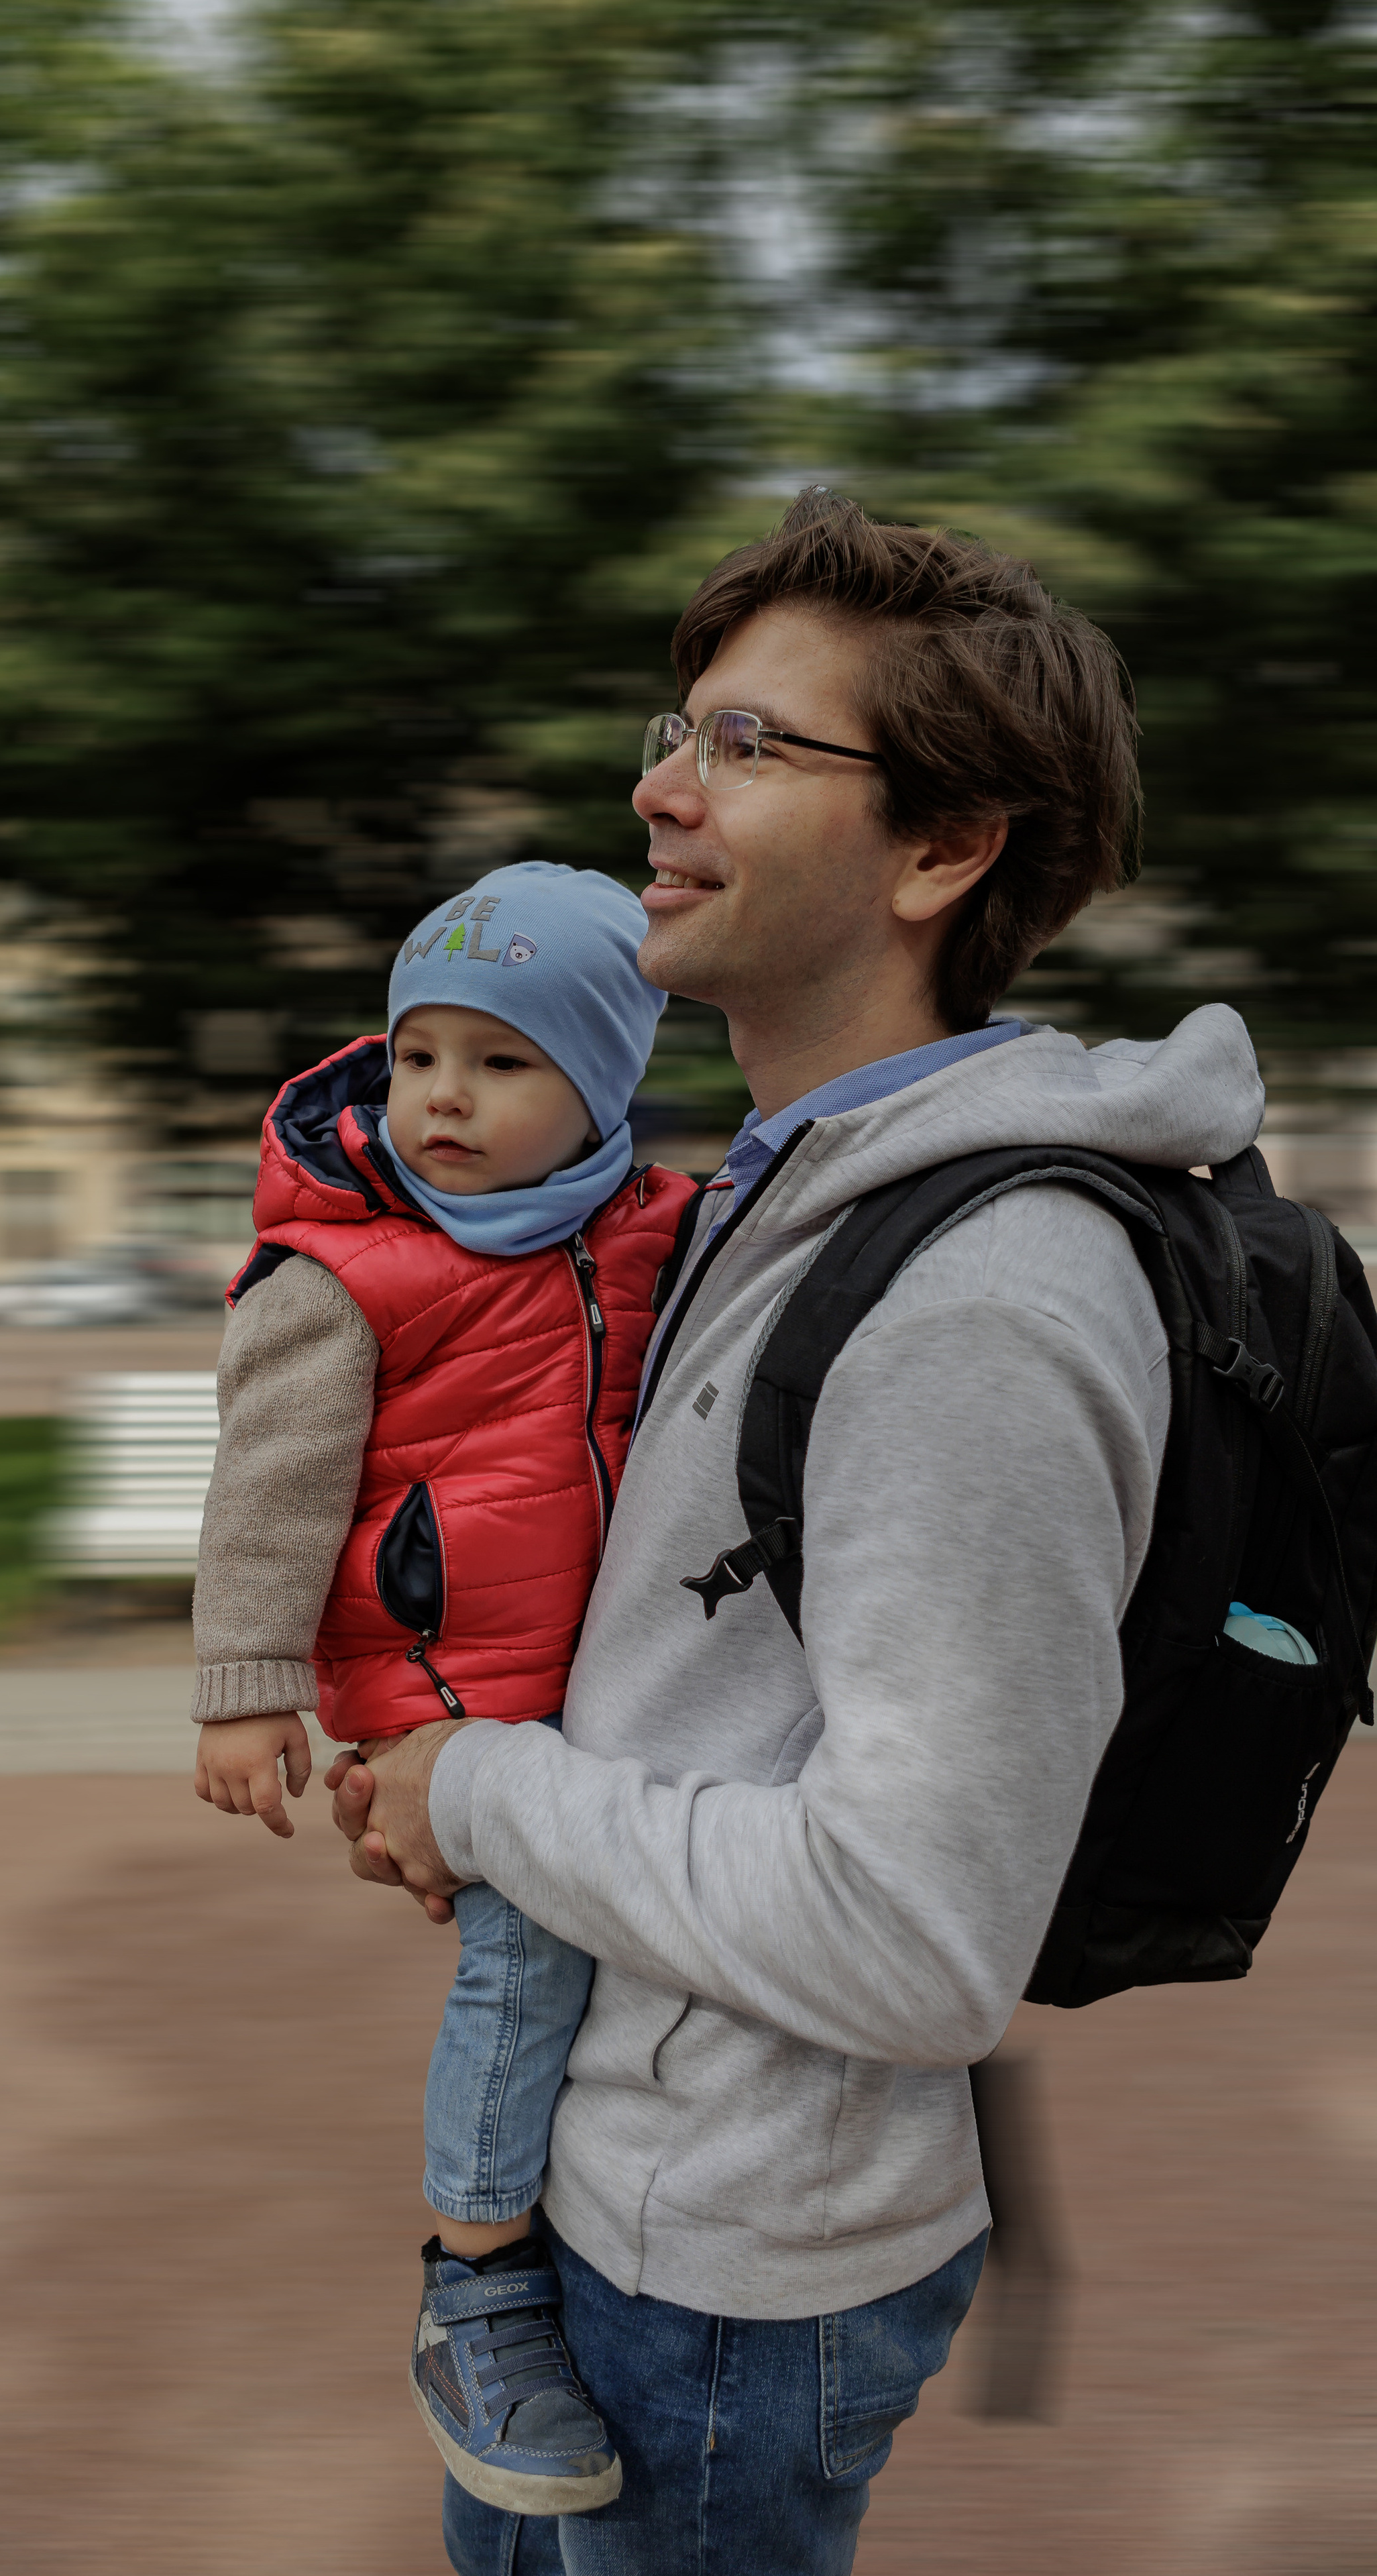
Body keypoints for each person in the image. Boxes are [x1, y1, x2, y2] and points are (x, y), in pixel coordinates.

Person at [329, 489, 1268, 2574]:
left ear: (946, 850)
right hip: (643, 2182)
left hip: (729, 2272)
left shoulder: (984, 1303)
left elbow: (918, 1935)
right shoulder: (784, 1179)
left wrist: (478, 1791)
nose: (663, 788)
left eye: (752, 745)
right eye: (674, 732)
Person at [189, 862, 696, 2516]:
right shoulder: (345, 1273)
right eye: (419, 1057)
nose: (441, 1099)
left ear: (602, 1087)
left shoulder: (653, 1230)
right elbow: (267, 1488)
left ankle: (583, 2218)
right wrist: (245, 1687)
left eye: (500, 1063)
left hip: (607, 1681)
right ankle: (474, 2282)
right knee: (526, 1955)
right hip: (437, 1690)